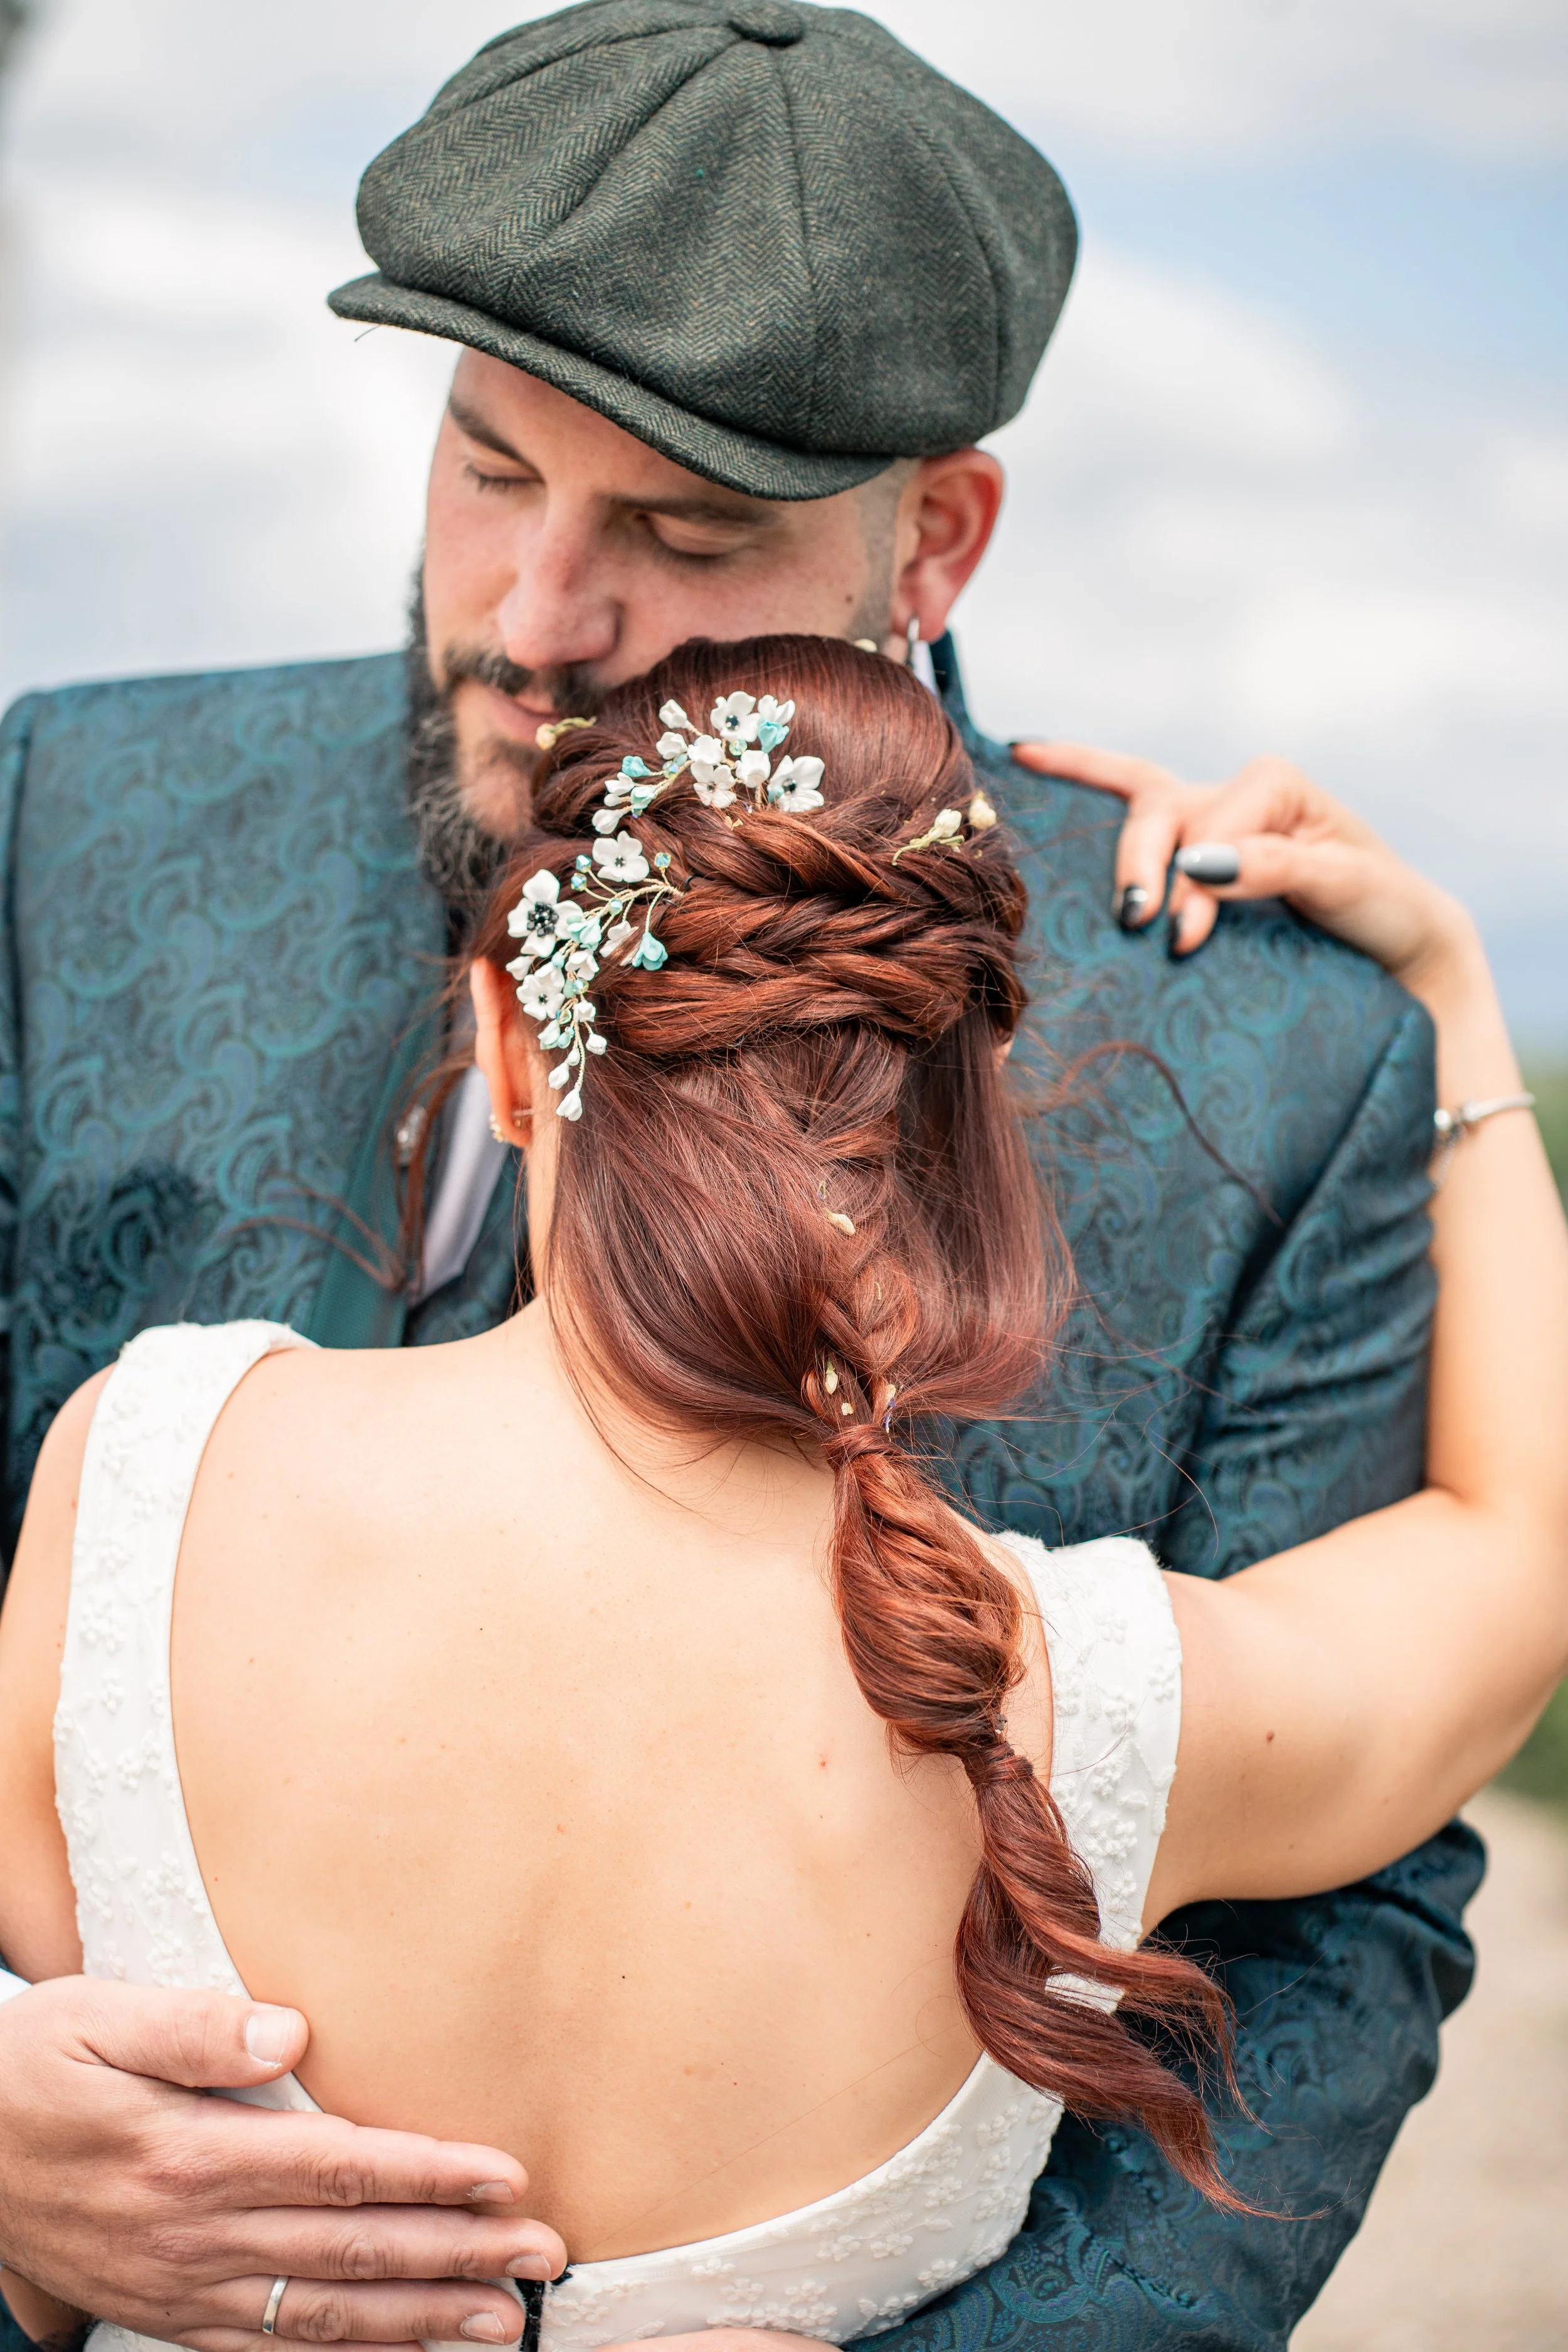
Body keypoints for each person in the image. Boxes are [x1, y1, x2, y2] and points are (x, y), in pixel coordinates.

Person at [0, 6, 1483, 2349]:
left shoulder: (1275, 1058)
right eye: (485, 469)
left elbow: (1332, 1939)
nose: (531, 621)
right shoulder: (66, 828)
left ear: (939, 534)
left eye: (682, 534)